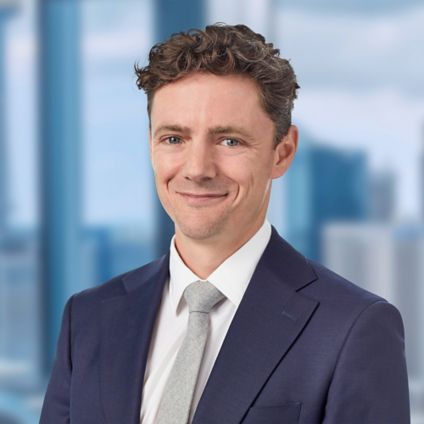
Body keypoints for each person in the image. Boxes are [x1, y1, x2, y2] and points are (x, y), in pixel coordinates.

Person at [40, 24, 410, 424]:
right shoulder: (89, 317)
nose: (197, 169)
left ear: (283, 152)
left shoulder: (351, 329)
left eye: (229, 140)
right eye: (174, 139)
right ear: (151, 145)